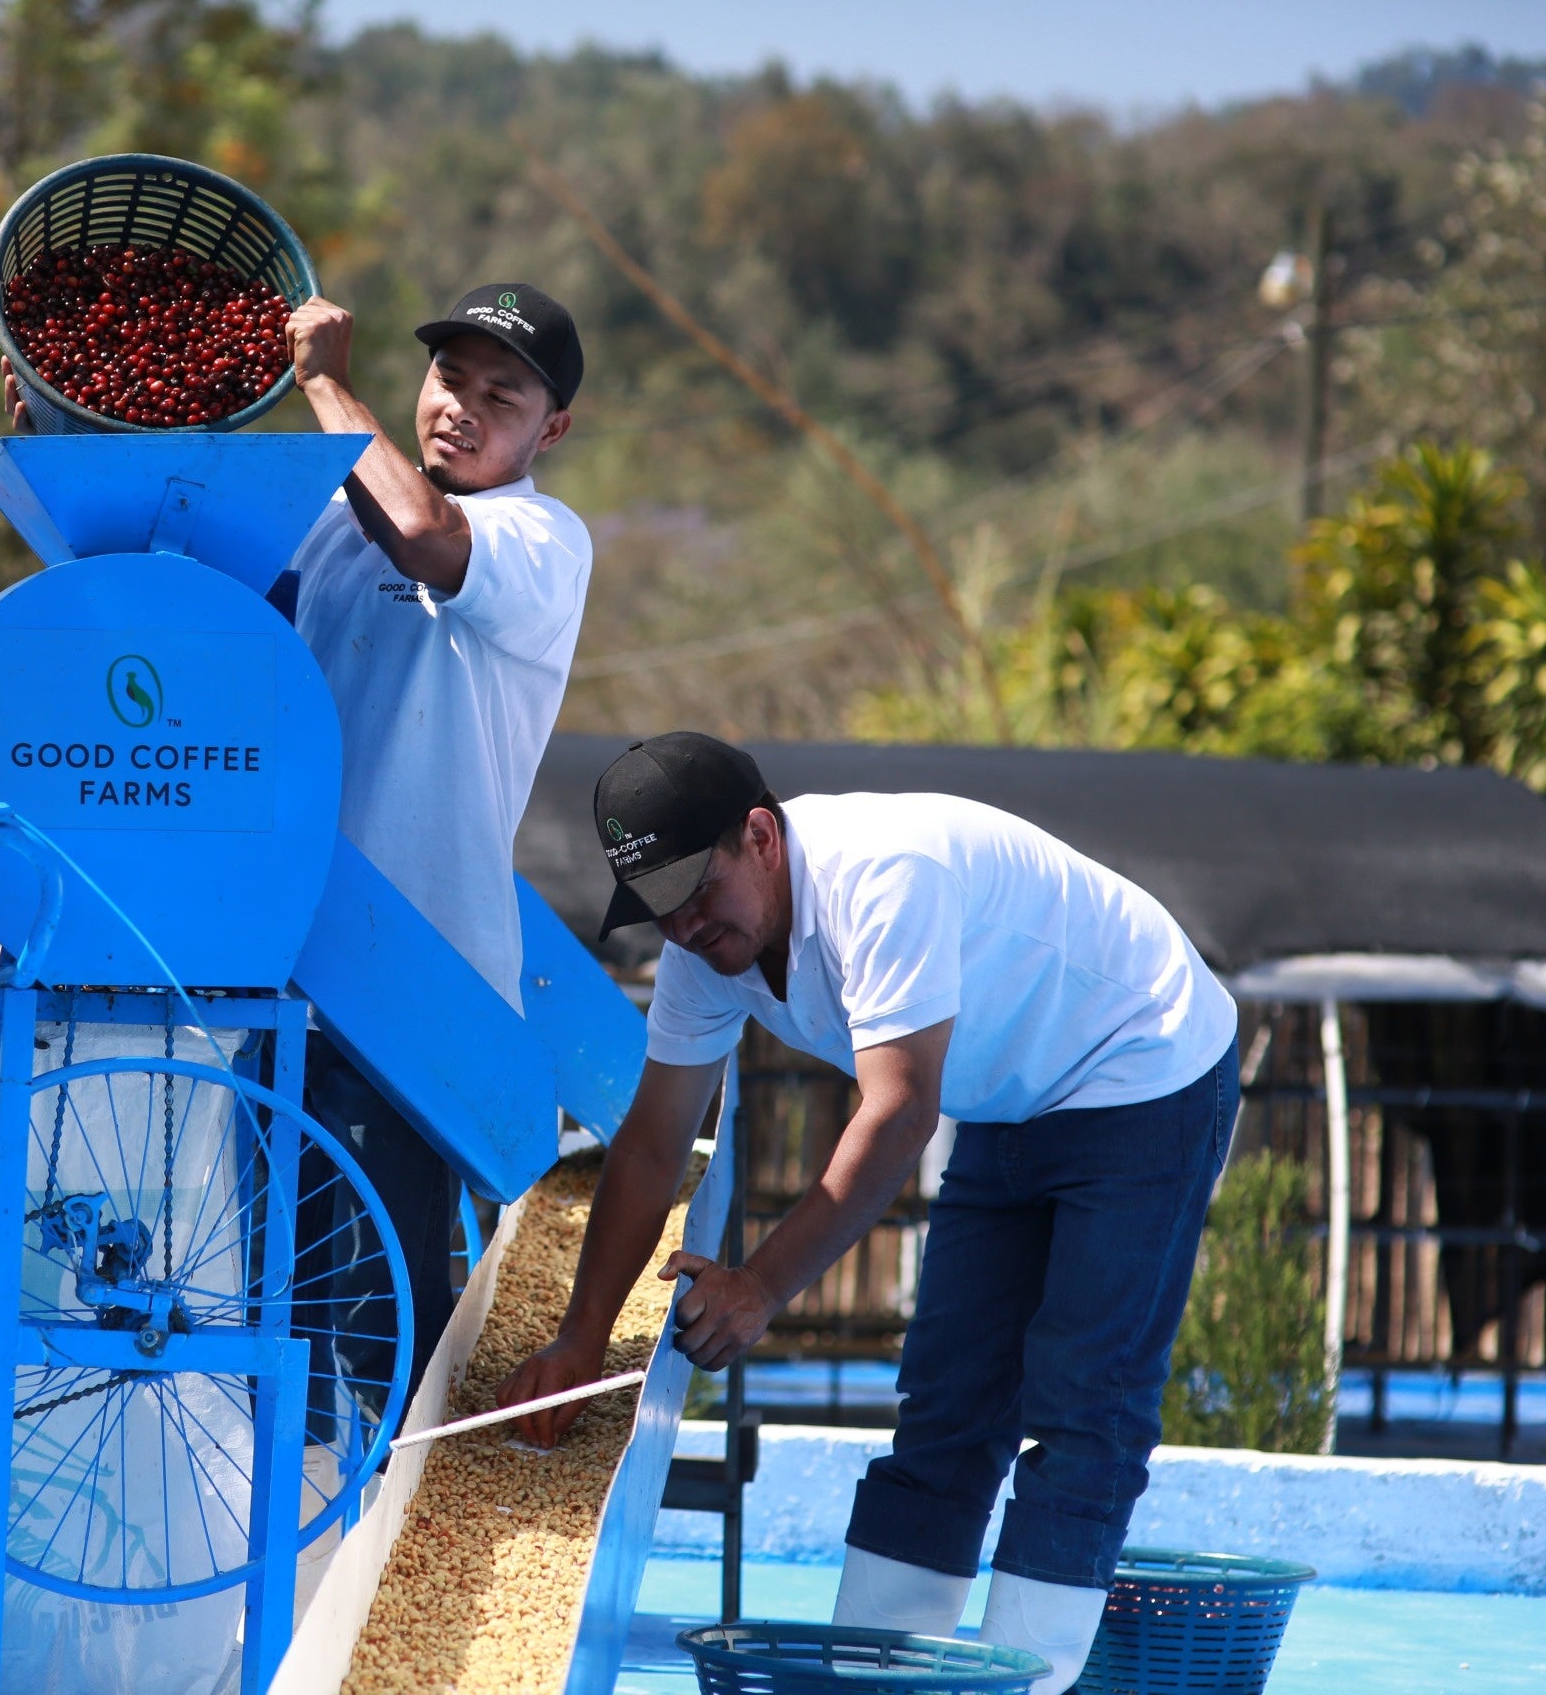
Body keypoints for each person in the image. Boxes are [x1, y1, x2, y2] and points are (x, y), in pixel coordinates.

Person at [496, 733, 1240, 1693]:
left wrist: (760, 1285)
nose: (682, 928)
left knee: (1084, 1403)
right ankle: (871, 1680)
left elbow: (897, 1112)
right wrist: (580, 1343)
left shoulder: (884, 876)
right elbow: (650, 1144)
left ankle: (1031, 1681)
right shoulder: (703, 952)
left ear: (759, 835)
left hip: (1145, 1066)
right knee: (947, 1404)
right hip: (1011, 1097)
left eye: (696, 894)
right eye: (658, 910)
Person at [276, 282, 593, 1400]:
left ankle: (372, 1539)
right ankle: (298, 1545)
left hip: (414, 981)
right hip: (288, 953)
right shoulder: (330, 508)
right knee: (271, 1297)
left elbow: (420, 533)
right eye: (447, 377)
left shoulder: (539, 539)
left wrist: (321, 381)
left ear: (549, 430)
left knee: (374, 1308)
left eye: (499, 394)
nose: (459, 405)